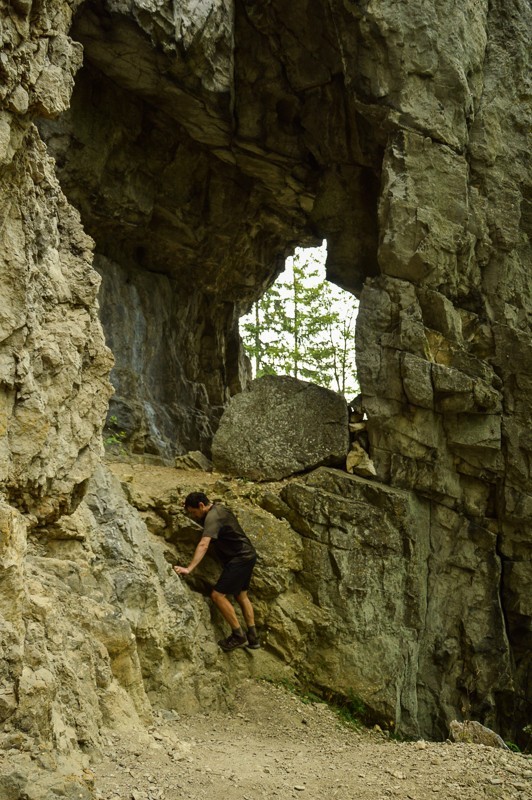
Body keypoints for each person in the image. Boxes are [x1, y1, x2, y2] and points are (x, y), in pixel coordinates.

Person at [174, 491, 260, 652]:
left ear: (201, 505)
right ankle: (253, 637)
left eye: (193, 512)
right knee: (241, 595)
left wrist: (189, 568)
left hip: (239, 558)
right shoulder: (219, 509)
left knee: (217, 595)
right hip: (248, 555)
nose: (194, 516)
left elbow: (203, 544)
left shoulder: (213, 517)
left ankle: (238, 635)